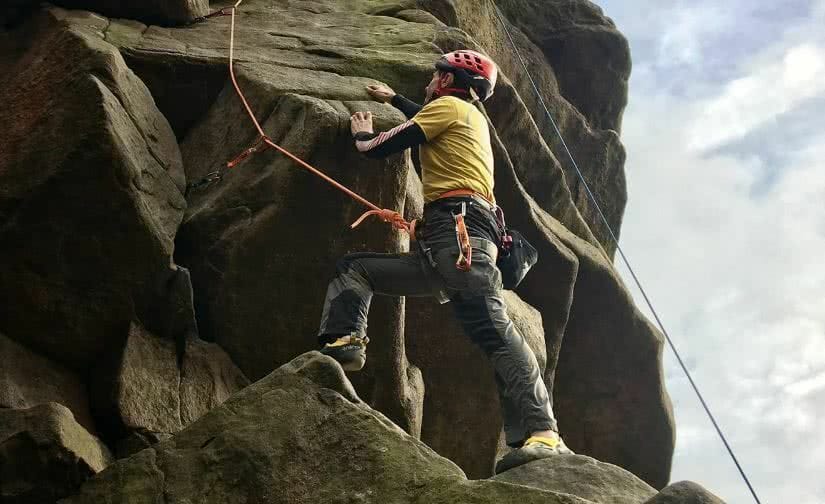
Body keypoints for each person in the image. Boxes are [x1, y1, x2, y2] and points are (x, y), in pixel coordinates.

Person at [315, 50, 572, 473]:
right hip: (448, 243)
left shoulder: (449, 108)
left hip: (459, 237)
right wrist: (396, 97)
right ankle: (344, 342)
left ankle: (544, 432)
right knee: (356, 269)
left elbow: (391, 142)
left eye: (438, 75)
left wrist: (362, 137)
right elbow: (425, 121)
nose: (431, 82)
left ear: (453, 83)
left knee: (497, 332)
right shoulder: (463, 115)